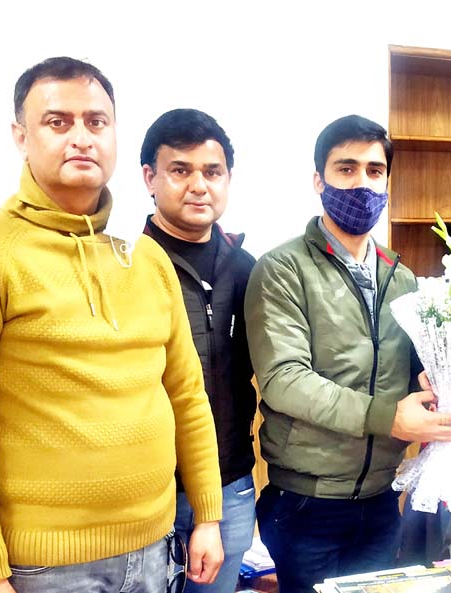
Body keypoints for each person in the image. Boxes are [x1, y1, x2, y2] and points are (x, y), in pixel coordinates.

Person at [0, 57, 224, 593]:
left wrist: (209, 516)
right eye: (58, 122)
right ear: (21, 136)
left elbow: (187, 397)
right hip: (43, 569)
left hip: (156, 551)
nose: (80, 137)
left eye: (96, 122)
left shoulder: (146, 260)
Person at [244, 114, 451, 593]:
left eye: (374, 171)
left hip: (380, 500)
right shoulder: (282, 268)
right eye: (346, 169)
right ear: (318, 180)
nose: (362, 184)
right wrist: (386, 417)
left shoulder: (404, 278)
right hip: (306, 502)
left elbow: (417, 370)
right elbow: (285, 379)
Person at [140, 108, 257, 593]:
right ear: (150, 177)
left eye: (212, 172)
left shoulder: (248, 267)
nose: (199, 185)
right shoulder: (127, 266)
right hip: (153, 492)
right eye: (180, 170)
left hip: (230, 484)